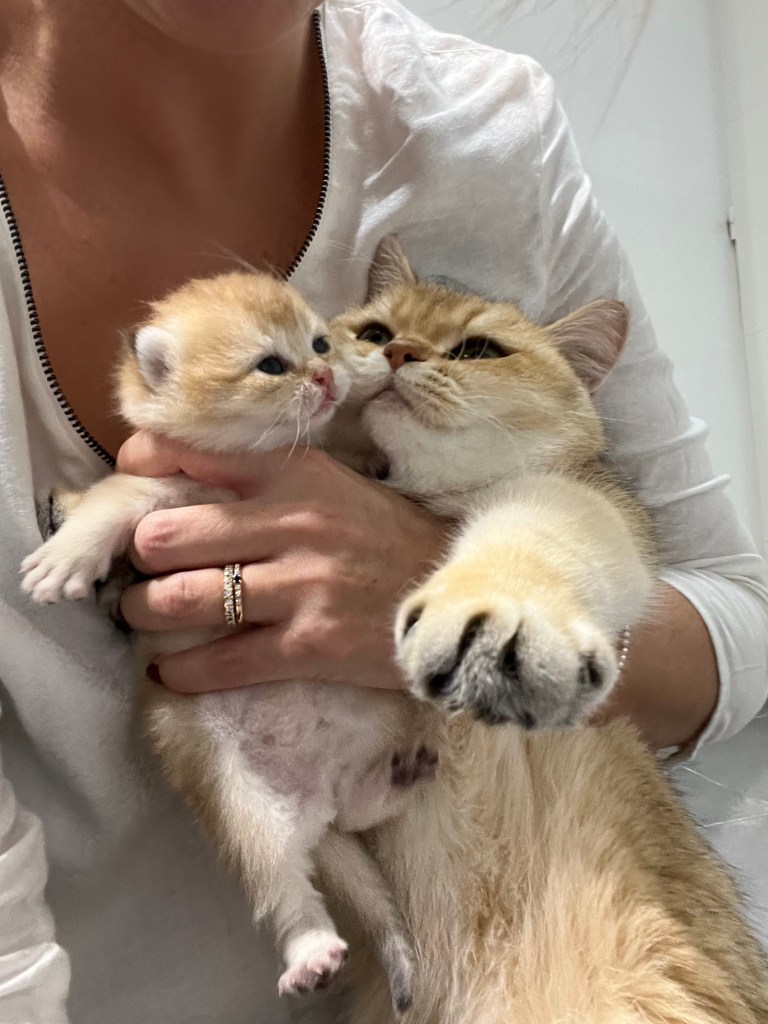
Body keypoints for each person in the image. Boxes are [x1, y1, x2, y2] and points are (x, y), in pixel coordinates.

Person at [0, 0, 765, 1021]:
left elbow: (732, 608)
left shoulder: (488, 130)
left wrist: (426, 583)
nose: (396, 357)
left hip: (592, 952)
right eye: (374, 336)